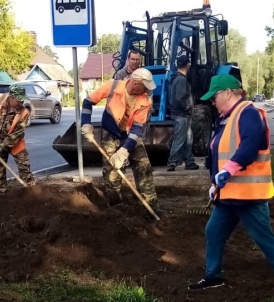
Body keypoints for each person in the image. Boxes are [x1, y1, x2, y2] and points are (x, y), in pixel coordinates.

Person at [188, 75, 274, 301]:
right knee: (213, 232)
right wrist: (215, 182)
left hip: (249, 195)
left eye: (214, 97)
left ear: (228, 93)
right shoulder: (226, 118)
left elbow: (250, 146)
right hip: (228, 195)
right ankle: (213, 276)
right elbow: (220, 153)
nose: (212, 102)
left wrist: (227, 171)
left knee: (264, 238)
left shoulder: (249, 113)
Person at [81, 68, 159, 207]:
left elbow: (137, 129)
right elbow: (88, 102)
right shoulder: (113, 86)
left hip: (130, 136)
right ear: (136, 83)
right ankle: (117, 209)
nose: (147, 90)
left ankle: (151, 206)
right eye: (145, 87)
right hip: (110, 134)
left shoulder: (145, 101)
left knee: (144, 167)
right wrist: (86, 123)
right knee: (112, 174)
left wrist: (124, 151)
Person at [166, 55, 199, 171]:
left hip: (180, 114)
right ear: (188, 65)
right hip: (182, 114)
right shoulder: (182, 80)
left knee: (188, 139)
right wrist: (188, 107)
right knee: (180, 139)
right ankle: (172, 162)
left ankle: (189, 161)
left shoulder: (175, 78)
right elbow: (180, 98)